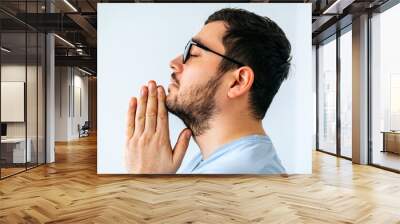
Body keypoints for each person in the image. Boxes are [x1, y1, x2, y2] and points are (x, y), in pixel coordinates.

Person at [124, 8, 291, 174]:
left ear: (238, 82)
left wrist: (145, 178)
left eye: (194, 53)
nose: (174, 62)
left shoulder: (236, 179)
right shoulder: (226, 161)